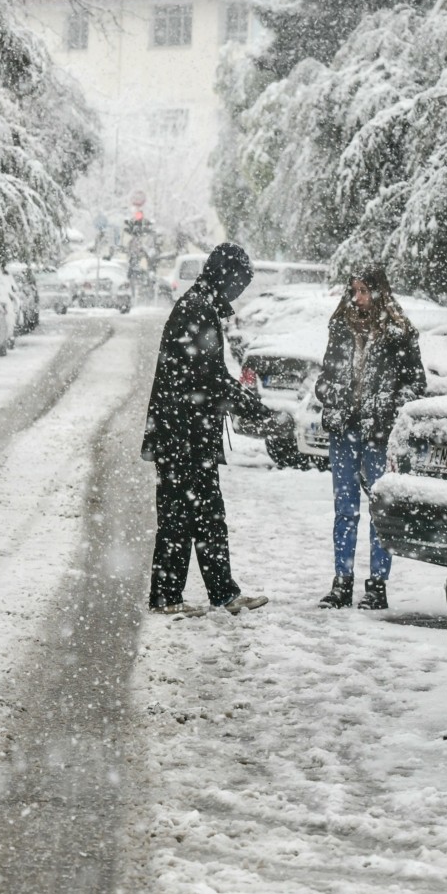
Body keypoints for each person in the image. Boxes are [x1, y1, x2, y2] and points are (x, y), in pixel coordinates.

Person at [141, 242, 277, 617]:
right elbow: (208, 378)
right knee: (177, 516)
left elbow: (209, 378)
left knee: (208, 513)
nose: (239, 292)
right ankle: (166, 597)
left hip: (193, 433)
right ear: (224, 276)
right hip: (179, 433)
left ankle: (223, 593)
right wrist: (251, 404)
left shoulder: (203, 305)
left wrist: (242, 401)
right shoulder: (196, 310)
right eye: (238, 284)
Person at [314, 267, 425, 611]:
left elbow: (415, 385)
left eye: (363, 291)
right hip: (343, 431)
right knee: (344, 509)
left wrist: (385, 407)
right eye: (354, 291)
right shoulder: (340, 327)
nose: (357, 298)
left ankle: (377, 585)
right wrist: (334, 396)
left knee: (379, 509)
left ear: (378, 293)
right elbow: (326, 377)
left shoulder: (399, 333)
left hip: (378, 434)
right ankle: (341, 583)